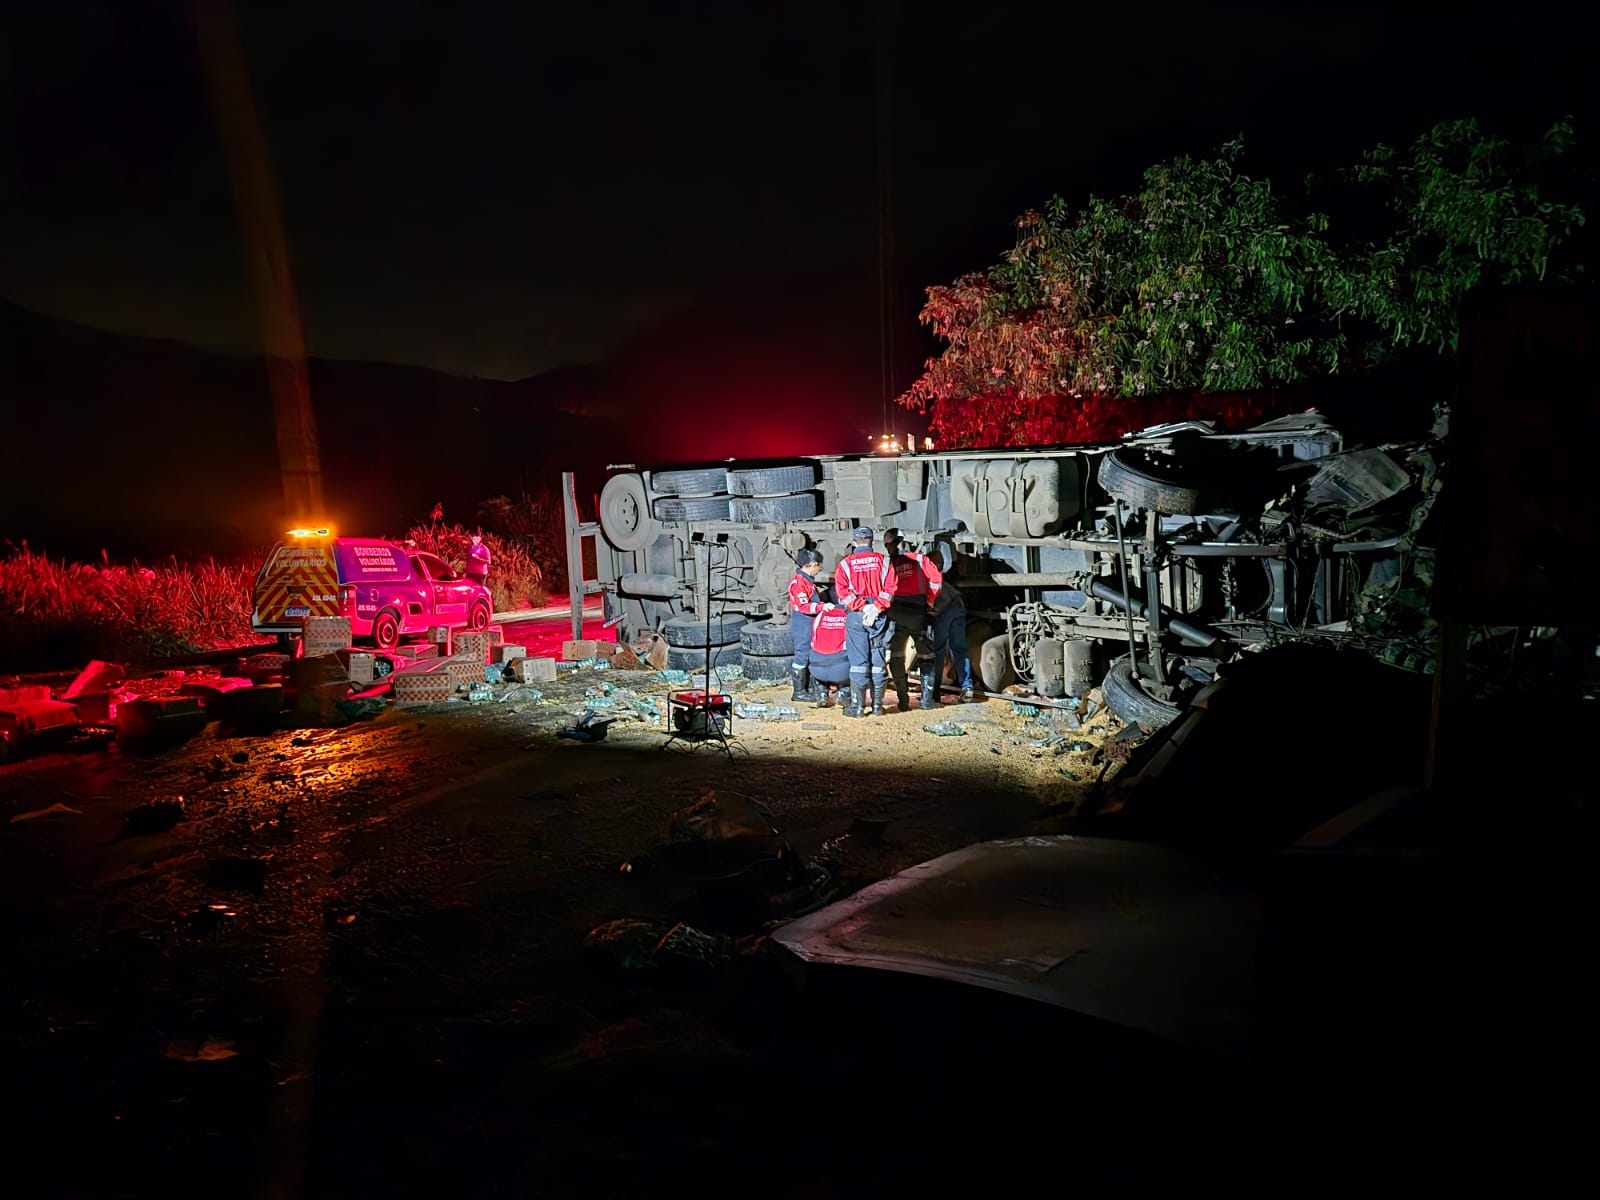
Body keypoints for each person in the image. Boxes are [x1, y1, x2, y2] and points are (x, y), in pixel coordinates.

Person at [832, 525, 897, 717]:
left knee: (858, 663)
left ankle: (858, 708)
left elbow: (842, 593)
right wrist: (876, 607)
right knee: (878, 659)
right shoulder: (884, 561)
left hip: (856, 616)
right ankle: (877, 707)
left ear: (854, 542)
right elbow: (890, 588)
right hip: (879, 615)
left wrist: (862, 607)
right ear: (872, 541)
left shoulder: (845, 564)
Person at [881, 528, 944, 711]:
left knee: (897, 655)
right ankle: (926, 700)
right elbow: (936, 580)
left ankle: (903, 701)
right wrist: (930, 600)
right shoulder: (919, 559)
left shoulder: (888, 563)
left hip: (896, 612)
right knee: (926, 655)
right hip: (918, 612)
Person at [927, 544, 975, 703]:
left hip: (943, 612)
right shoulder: (941, 577)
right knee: (959, 648)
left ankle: (934, 691)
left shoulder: (929, 576)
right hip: (957, 607)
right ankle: (967, 687)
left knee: (938, 650)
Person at [787, 549, 830, 702]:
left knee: (810, 654)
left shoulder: (807, 581)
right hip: (803, 622)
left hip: (808, 621)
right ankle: (799, 692)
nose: (820, 569)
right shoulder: (799, 583)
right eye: (819, 566)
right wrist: (822, 607)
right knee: (802, 654)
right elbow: (804, 606)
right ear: (812, 564)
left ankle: (809, 688)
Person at [807, 604, 854, 712]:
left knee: (818, 655)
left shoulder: (820, 615)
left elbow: (813, 640)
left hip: (816, 669)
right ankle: (844, 693)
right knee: (858, 664)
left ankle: (822, 693)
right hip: (841, 670)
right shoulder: (850, 616)